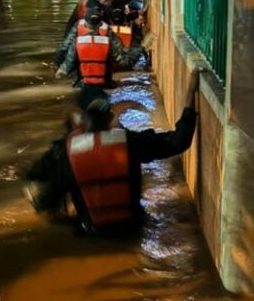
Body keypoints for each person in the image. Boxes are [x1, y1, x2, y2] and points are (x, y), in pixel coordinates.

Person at [24, 67, 205, 236]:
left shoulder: (65, 152)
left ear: (79, 119)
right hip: (132, 231)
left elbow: (38, 186)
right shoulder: (130, 142)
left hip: (91, 233)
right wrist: (191, 88)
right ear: (110, 116)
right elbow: (179, 142)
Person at [54, 4, 140, 89]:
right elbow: (122, 59)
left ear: (85, 24)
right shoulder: (107, 36)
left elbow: (65, 48)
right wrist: (140, 48)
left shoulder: (77, 39)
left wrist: (58, 64)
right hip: (105, 83)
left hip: (83, 82)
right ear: (100, 24)